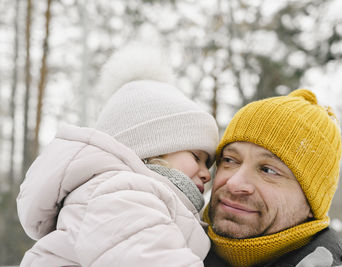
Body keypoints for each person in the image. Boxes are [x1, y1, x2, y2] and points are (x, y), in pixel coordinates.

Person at [17, 43, 219, 267]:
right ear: (152, 148)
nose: (206, 174)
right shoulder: (122, 195)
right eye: (197, 157)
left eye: (208, 164)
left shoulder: (136, 197)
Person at [203, 89, 342, 267]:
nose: (234, 183)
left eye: (268, 170)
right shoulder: (178, 244)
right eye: (230, 160)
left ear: (311, 203)